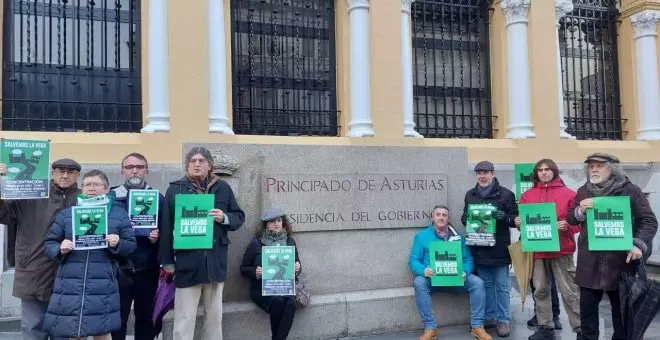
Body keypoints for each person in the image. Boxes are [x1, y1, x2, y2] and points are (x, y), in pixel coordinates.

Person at [567, 153, 658, 340]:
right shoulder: (583, 191)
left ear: (612, 169)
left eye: (599, 166)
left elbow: (649, 221)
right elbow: (571, 219)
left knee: (622, 316)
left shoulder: (631, 191)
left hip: (620, 263)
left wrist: (638, 245)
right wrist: (580, 211)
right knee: (587, 314)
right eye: (591, 166)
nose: (594, 169)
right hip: (590, 263)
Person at [159, 146, 246, 340]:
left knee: (214, 318)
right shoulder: (175, 189)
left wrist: (224, 217)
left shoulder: (222, 188)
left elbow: (239, 217)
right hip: (187, 263)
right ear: (187, 166)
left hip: (215, 262)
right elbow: (166, 228)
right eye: (192, 161)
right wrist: (167, 262)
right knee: (184, 317)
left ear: (210, 166)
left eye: (201, 161)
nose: (197, 164)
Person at [42, 169, 136, 339]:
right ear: (82, 188)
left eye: (96, 184)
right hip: (70, 285)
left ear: (107, 189)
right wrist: (60, 248)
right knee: (74, 332)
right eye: (87, 184)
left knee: (102, 333)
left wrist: (118, 243)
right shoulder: (67, 214)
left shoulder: (119, 214)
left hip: (103, 285)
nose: (91, 188)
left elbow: (131, 246)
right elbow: (49, 245)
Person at [0, 158, 82, 340]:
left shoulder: (84, 199)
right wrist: (1, 180)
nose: (65, 175)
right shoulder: (32, 194)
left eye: (70, 172)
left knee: (64, 330)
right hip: (33, 271)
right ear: (52, 173)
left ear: (78, 176)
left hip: (69, 274)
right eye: (60, 171)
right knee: (33, 329)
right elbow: (3, 213)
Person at [514, 159, 582, 340]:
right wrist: (518, 223)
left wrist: (568, 226)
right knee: (540, 290)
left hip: (562, 250)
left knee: (569, 290)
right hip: (537, 251)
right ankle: (546, 327)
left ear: (554, 172)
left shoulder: (569, 194)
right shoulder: (527, 195)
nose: (543, 173)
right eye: (540, 170)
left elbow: (580, 223)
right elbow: (523, 223)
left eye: (547, 169)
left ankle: (580, 328)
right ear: (536, 173)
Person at [410, 205, 492, 340]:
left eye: (444, 215)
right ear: (433, 217)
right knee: (419, 282)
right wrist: (423, 270)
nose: (441, 217)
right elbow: (413, 260)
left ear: (448, 218)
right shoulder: (421, 236)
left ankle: (477, 326)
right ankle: (430, 328)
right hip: (433, 279)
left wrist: (465, 272)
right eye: (438, 214)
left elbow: (468, 259)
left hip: (456, 279)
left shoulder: (459, 237)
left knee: (477, 283)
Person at [109, 153, 164, 340]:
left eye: (139, 167)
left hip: (147, 268)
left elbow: (167, 229)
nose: (135, 170)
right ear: (122, 171)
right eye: (130, 166)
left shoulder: (158, 198)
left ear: (146, 171)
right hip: (118, 268)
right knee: (118, 317)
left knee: (146, 317)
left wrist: (159, 235)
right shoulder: (110, 198)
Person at [461, 161, 517, 337]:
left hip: (499, 248)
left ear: (493, 174)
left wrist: (505, 218)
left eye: (485, 173)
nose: (482, 176)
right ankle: (490, 317)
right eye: (478, 173)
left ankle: (504, 320)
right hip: (479, 247)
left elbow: (516, 220)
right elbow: (465, 217)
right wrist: (466, 219)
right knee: (485, 285)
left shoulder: (507, 195)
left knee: (501, 286)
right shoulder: (470, 195)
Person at [240, 208, 302, 340]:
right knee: (278, 301)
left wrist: (297, 267)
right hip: (262, 289)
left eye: (279, 220)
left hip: (285, 287)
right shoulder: (256, 243)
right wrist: (256, 271)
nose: (276, 223)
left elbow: (297, 264)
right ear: (265, 224)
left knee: (290, 303)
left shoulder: (289, 241)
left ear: (283, 222)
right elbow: (244, 268)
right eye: (272, 221)